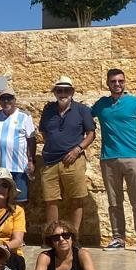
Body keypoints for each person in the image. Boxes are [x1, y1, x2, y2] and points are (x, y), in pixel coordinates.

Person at [91, 68, 136, 252]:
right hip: (109, 159)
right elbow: (84, 116)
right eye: (113, 81)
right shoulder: (101, 105)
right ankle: (118, 237)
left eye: (120, 81)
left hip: (133, 158)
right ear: (107, 83)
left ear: (125, 82)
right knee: (114, 202)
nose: (117, 84)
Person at [39, 76, 96, 237]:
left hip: (74, 160)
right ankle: (53, 237)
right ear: (55, 92)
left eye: (66, 90)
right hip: (50, 161)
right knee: (51, 200)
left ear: (72, 92)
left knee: (76, 198)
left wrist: (77, 149)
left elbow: (91, 134)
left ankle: (74, 236)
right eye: (59, 90)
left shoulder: (82, 110)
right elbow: (44, 131)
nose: (63, 93)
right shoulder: (48, 110)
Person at [0, 92, 37, 203]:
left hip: (19, 167)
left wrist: (31, 160)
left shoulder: (24, 116)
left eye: (9, 98)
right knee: (0, 200)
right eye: (3, 99)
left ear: (14, 99)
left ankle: (18, 220)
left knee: (20, 201)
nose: (6, 101)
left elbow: (31, 140)